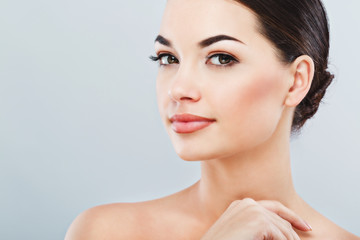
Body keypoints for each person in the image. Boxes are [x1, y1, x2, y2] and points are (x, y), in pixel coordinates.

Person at [65, 0, 360, 239]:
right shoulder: (105, 232)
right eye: (168, 58)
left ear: (296, 81)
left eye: (221, 58)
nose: (178, 89)